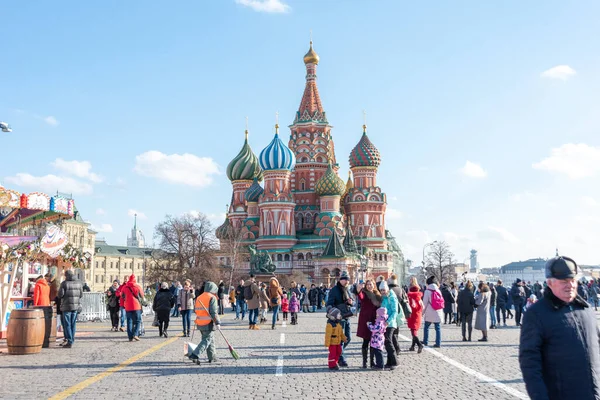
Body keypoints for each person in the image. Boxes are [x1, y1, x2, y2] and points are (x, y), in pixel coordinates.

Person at [520, 256, 600, 400]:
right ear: (550, 283)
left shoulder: (586, 310)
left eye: (572, 280)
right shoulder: (536, 314)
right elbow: (530, 363)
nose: (570, 285)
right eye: (564, 282)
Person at [188, 281, 221, 363]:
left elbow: (196, 310)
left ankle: (212, 357)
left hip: (200, 322)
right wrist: (217, 322)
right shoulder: (212, 297)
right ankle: (195, 354)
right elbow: (213, 312)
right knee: (207, 339)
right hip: (208, 322)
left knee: (210, 339)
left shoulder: (199, 297)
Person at [326, 271, 353, 367]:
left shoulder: (347, 289)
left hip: (347, 316)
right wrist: (334, 312)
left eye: (348, 280)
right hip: (338, 318)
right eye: (345, 279)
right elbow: (329, 303)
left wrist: (350, 302)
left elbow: (351, 300)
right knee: (340, 339)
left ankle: (339, 353)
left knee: (348, 338)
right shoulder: (334, 290)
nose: (347, 281)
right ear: (340, 280)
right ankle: (341, 358)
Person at [355, 279, 382, 368]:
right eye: (368, 285)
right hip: (365, 321)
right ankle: (364, 362)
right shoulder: (365, 294)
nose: (369, 286)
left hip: (374, 320)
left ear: (374, 285)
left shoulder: (378, 295)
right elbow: (360, 296)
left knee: (373, 342)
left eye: (371, 284)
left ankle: (372, 362)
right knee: (365, 341)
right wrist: (359, 289)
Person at [58, 269, 83, 348]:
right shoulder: (79, 283)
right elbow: (81, 295)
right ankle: (72, 338)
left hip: (66, 306)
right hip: (75, 306)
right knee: (73, 324)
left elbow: (60, 295)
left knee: (67, 324)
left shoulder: (64, 283)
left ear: (66, 275)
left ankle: (69, 340)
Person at [387, 273, 409, 354]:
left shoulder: (388, 289)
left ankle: (396, 347)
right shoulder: (400, 289)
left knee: (390, 332)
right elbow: (405, 300)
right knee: (396, 331)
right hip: (399, 312)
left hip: (390, 312)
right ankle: (396, 347)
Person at [379, 281, 398, 370]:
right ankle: (389, 362)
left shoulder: (392, 298)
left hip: (391, 323)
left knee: (388, 341)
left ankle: (395, 361)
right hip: (385, 323)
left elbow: (395, 311)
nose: (382, 292)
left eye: (383, 290)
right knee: (387, 342)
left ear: (387, 289)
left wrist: (388, 321)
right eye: (381, 290)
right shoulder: (385, 298)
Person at [422, 276, 443, 348]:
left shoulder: (427, 291)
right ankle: (438, 343)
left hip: (429, 312)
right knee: (438, 328)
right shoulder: (438, 291)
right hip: (438, 311)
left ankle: (425, 341)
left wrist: (422, 313)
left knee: (426, 327)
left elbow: (424, 303)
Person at [123, 274, 145, 342]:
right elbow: (142, 295)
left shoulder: (125, 287)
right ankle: (135, 334)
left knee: (129, 321)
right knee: (138, 320)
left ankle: (130, 337)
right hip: (136, 306)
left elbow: (122, 296)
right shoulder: (137, 286)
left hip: (128, 306)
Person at [406, 277, 424, 353]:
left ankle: (419, 344)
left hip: (412, 314)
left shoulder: (410, 297)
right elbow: (422, 306)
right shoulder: (419, 296)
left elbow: (410, 306)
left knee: (413, 331)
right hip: (418, 314)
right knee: (414, 329)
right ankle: (412, 346)